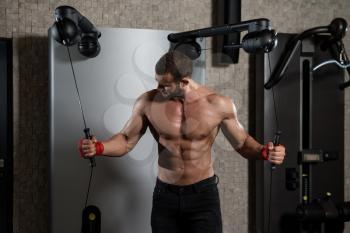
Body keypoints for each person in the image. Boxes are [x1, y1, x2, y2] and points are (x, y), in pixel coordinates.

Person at [78, 51, 286, 233]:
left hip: (202, 196)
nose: (158, 88)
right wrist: (99, 147)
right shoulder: (148, 102)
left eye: (164, 85)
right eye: (157, 81)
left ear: (184, 82)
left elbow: (242, 143)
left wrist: (264, 152)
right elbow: (126, 140)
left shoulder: (218, 104)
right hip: (165, 196)